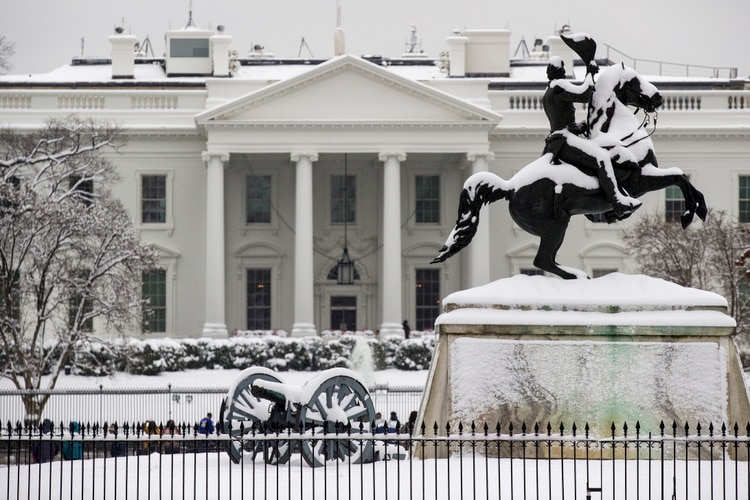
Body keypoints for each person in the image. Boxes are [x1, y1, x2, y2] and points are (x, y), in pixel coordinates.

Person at [542, 56, 641, 217]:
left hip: (556, 140)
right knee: (601, 157)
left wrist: (580, 126)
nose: (564, 73)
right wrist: (590, 73)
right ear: (560, 71)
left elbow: (562, 121)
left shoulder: (549, 91)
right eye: (563, 70)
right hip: (565, 141)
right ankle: (617, 201)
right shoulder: (559, 86)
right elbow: (585, 94)